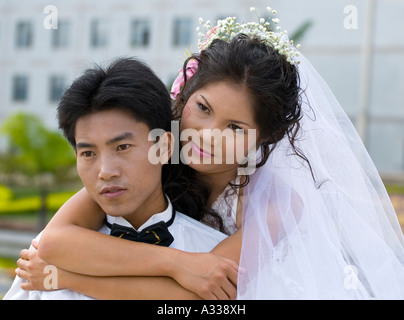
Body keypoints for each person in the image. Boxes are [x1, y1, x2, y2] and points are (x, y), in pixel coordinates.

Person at [13, 8, 404, 299]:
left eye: (235, 128)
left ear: (263, 138)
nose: (208, 135)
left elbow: (199, 295)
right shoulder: (152, 150)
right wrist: (178, 262)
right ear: (184, 93)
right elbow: (55, 241)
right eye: (203, 108)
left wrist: (68, 278)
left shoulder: (274, 203)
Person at [4, 57, 238, 300]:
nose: (105, 171)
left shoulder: (213, 256)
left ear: (164, 146)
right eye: (88, 153)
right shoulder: (44, 257)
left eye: (123, 147)